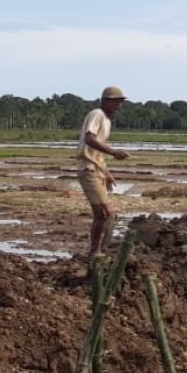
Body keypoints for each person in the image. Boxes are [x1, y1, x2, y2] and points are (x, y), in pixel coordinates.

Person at [77, 86, 131, 259]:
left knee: (104, 214)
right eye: (116, 102)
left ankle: (101, 250)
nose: (119, 106)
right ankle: (95, 251)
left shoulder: (107, 121)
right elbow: (89, 138)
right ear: (106, 101)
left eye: (120, 102)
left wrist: (106, 171)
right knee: (105, 212)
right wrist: (114, 152)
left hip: (97, 169)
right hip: (88, 169)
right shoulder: (97, 115)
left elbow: (97, 153)